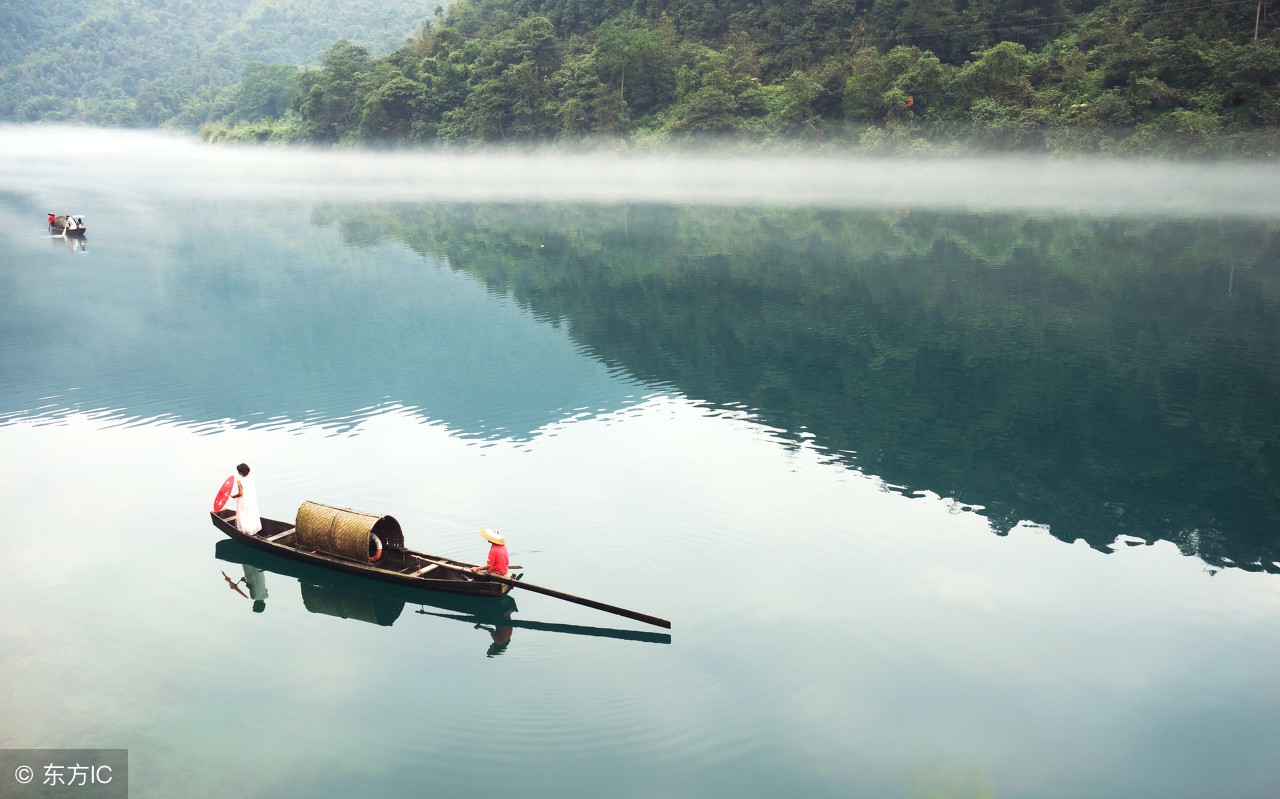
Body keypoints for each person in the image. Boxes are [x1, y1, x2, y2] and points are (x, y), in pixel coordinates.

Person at [230, 463, 262, 535]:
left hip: (243, 499)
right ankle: (252, 528)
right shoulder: (253, 476)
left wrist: (234, 496)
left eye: (238, 471)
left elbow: (240, 493)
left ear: (241, 472)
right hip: (251, 498)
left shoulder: (239, 480)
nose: (238, 472)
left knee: (244, 513)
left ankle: (246, 530)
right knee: (251, 512)